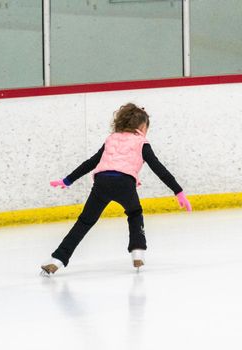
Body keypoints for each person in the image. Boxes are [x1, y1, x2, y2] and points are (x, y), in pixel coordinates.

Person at [41, 103, 191, 275]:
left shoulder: (111, 139)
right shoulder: (142, 143)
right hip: (124, 184)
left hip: (102, 183)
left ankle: (57, 259)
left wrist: (68, 180)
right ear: (142, 127)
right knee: (134, 213)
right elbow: (159, 168)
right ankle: (137, 251)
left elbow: (91, 162)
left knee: (84, 222)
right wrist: (178, 191)